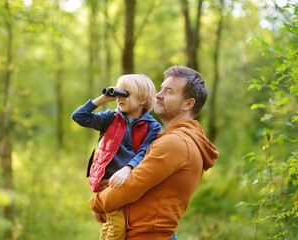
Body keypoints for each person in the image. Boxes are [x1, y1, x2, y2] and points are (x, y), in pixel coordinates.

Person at [89, 65, 219, 240]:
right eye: (161, 89)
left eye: (169, 92)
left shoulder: (175, 143)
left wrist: (96, 203)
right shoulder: (177, 139)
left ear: (188, 104)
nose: (158, 95)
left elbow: (130, 187)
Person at [71, 74, 162, 240]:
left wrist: (128, 169)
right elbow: (79, 117)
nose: (119, 98)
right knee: (117, 228)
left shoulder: (153, 127)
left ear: (142, 99)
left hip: (130, 182)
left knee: (115, 226)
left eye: (125, 93)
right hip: (108, 183)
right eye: (117, 94)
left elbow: (145, 152)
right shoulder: (110, 118)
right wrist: (103, 99)